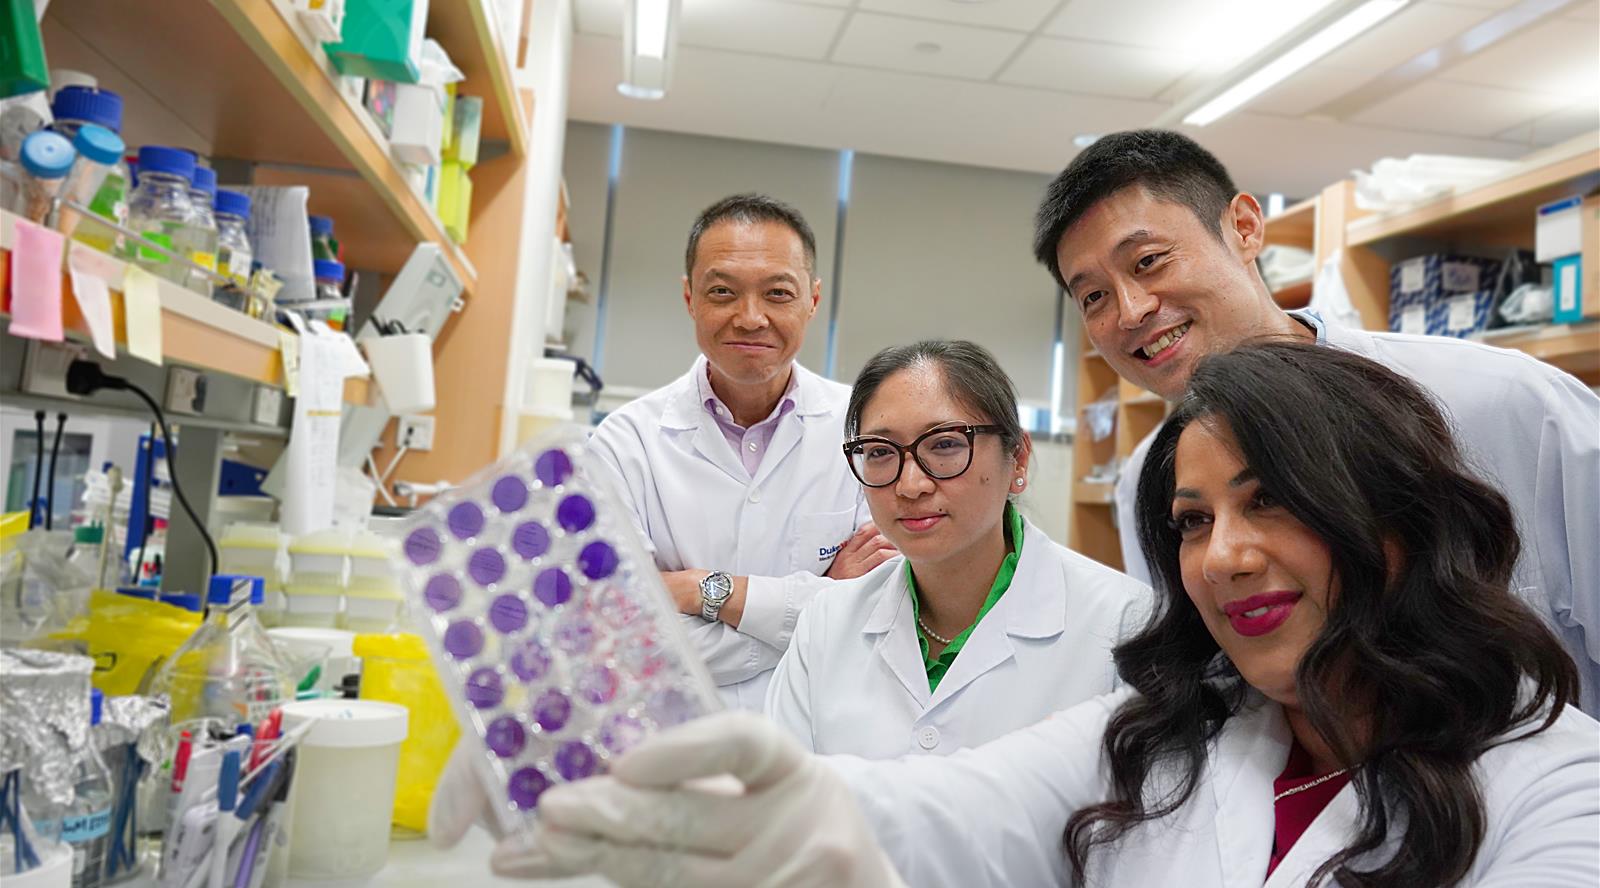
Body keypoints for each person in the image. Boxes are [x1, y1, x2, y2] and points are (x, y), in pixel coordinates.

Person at [462, 343, 1599, 888]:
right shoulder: (1178, 731)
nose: (1222, 555)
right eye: (1193, 522)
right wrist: (670, 783)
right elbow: (937, 803)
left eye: (1269, 503)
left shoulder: (1559, 788)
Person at [1032, 129, 1600, 715]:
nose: (1131, 311)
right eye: (1093, 297)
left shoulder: (1505, 402)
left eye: (1149, 262)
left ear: (1245, 228)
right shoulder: (1153, 484)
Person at [586, 193, 896, 710]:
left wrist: (698, 590)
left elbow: (886, 613)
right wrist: (818, 608)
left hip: (818, 738)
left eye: (777, 293)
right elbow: (617, 631)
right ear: (690, 298)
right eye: (723, 292)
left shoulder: (869, 431)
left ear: (813, 300)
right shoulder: (623, 444)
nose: (751, 318)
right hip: (672, 737)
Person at [765, 340, 1147, 756]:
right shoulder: (826, 623)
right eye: (879, 452)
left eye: (945, 444)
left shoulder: (1126, 625)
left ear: (1017, 459)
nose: (910, 485)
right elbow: (778, 800)